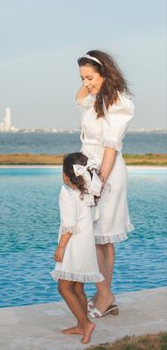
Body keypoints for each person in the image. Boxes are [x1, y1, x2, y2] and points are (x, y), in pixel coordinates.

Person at [76, 50, 134, 317]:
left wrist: (99, 182)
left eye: (90, 77)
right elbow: (79, 98)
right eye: (82, 78)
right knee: (93, 236)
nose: (85, 83)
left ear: (104, 74)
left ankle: (105, 296)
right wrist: (90, 78)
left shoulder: (117, 104)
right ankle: (105, 295)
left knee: (103, 236)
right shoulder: (95, 98)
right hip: (90, 169)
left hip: (106, 172)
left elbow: (110, 149)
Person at [50, 152, 117, 344]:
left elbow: (69, 224)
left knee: (64, 288)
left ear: (65, 175)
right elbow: (93, 218)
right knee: (77, 288)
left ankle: (86, 324)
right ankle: (81, 325)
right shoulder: (88, 194)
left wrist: (60, 248)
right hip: (86, 245)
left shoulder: (66, 193)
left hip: (73, 247)